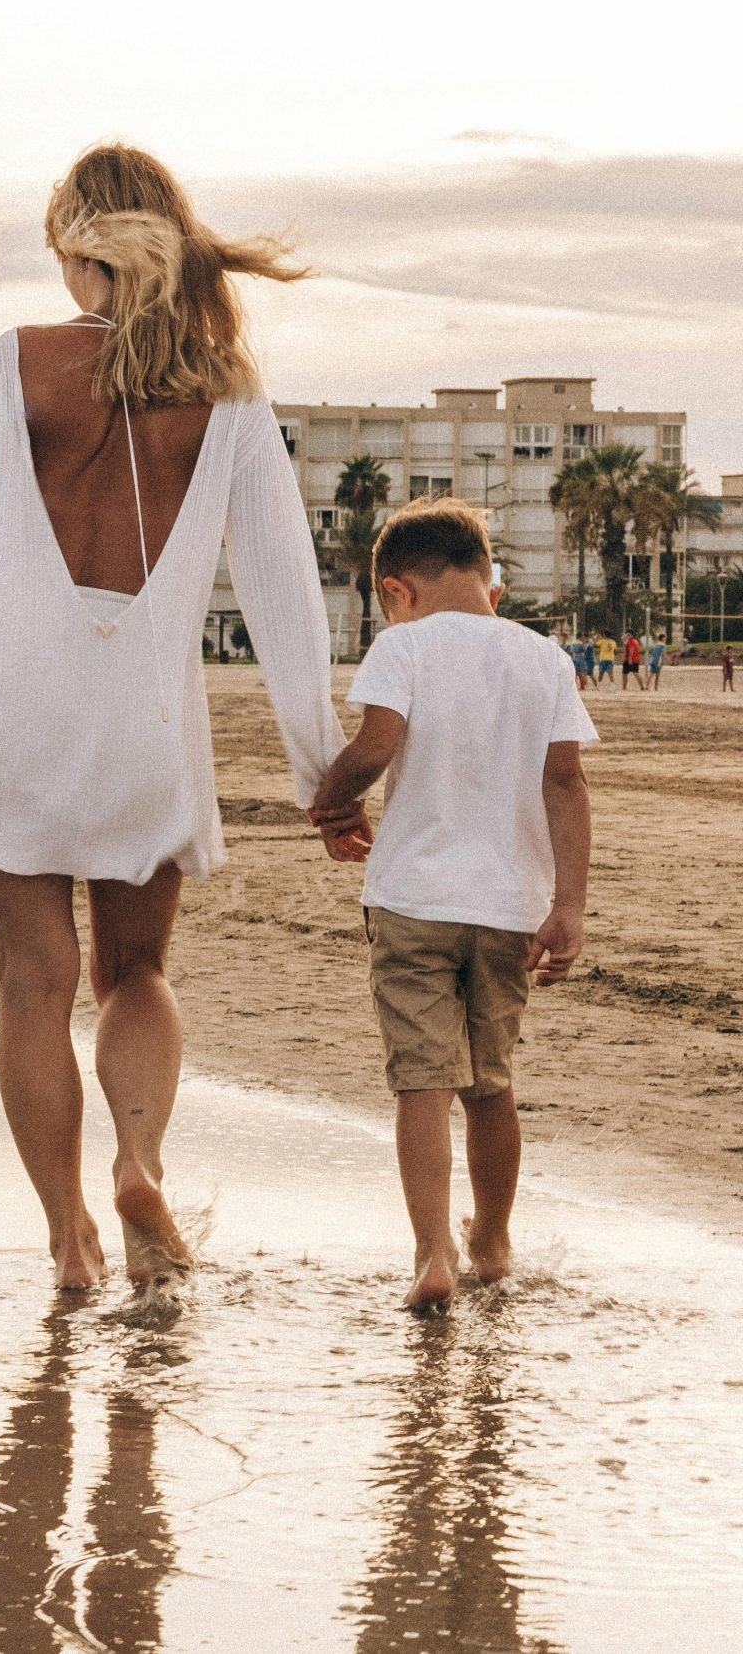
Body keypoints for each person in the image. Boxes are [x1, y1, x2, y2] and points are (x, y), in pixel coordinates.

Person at [0, 143, 343, 1291]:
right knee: (137, 971)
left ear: (77, 252)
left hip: (14, 718)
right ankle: (138, 1161)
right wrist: (323, 769)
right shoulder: (230, 389)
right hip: (144, 733)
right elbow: (281, 593)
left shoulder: (20, 362)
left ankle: (68, 1241)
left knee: (32, 984)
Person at [305, 498, 593, 1315]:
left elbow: (376, 745)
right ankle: (493, 1243)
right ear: (488, 580)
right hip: (509, 904)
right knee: (490, 1081)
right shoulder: (544, 659)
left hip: (412, 899)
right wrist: (568, 904)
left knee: (421, 1083)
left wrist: (333, 806)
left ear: (397, 590)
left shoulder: (403, 645)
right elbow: (566, 781)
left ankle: (433, 1254)